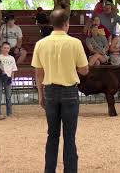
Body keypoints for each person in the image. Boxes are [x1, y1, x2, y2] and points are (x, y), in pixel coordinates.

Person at [31, 9, 89, 173]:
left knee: (52, 135)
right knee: (69, 137)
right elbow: (84, 70)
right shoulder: (75, 43)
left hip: (50, 92)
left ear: (52, 23)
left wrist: (41, 94)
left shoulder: (41, 44)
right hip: (70, 92)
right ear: (66, 24)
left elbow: (38, 72)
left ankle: (49, 170)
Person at [0, 42, 17, 120]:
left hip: (8, 77)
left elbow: (13, 69)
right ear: (1, 48)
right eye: (5, 48)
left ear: (9, 49)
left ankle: (9, 113)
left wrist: (12, 79)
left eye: (7, 48)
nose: (6, 49)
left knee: (8, 96)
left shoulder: (12, 58)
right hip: (0, 77)